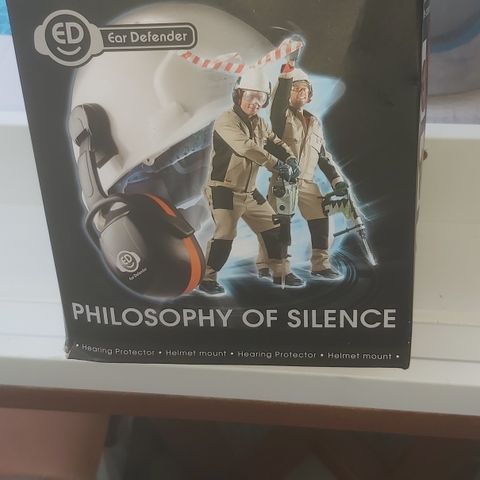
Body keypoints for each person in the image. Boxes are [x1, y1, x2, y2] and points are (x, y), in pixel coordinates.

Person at [198, 67, 304, 295]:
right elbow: (247, 148)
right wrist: (279, 166)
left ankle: (281, 273)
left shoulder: (260, 123)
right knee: (225, 233)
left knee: (274, 227)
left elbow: (274, 142)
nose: (255, 103)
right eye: (250, 96)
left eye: (261, 98)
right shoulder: (226, 121)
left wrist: (290, 159)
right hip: (224, 190)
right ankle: (207, 278)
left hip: (249, 192)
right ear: (238, 95)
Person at [257, 60, 348, 279]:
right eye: (296, 88)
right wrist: (286, 74)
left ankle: (320, 265)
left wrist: (336, 180)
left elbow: (323, 156)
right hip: (284, 179)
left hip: (306, 181)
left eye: (305, 88)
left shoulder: (314, 122)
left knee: (320, 216)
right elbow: (278, 102)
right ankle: (272, 266)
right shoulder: (281, 117)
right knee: (278, 223)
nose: (302, 92)